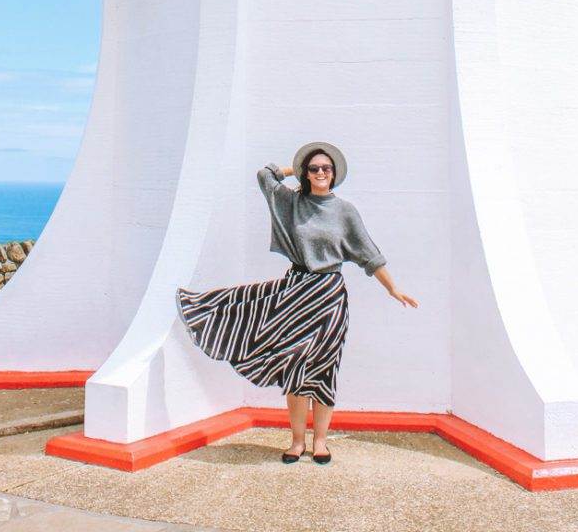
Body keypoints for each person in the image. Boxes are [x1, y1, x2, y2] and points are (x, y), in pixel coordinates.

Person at [175, 141, 417, 465]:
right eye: (314, 168)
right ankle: (297, 441)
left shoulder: (345, 211)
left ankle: (320, 442)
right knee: (294, 366)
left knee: (324, 368)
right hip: (297, 291)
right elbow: (264, 176)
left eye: (325, 169)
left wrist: (393, 289)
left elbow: (368, 255)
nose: (320, 173)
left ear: (334, 174)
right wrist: (294, 166)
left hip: (329, 297)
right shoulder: (293, 201)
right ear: (306, 173)